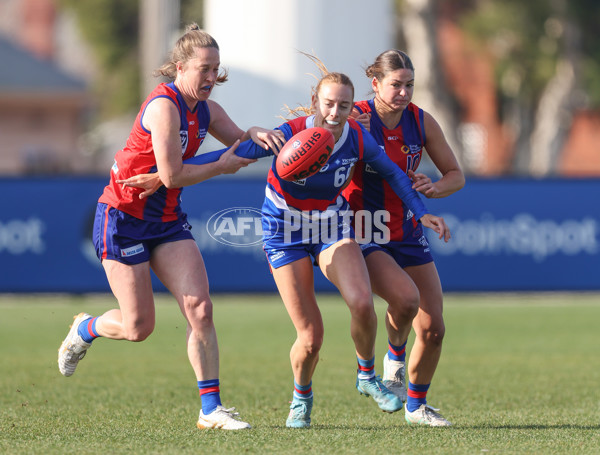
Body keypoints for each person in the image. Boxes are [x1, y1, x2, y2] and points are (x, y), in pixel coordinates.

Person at [120, 56, 452, 428]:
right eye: (329, 104)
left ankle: (366, 376)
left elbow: (395, 173)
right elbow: (232, 154)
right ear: (315, 101)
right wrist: (165, 175)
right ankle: (301, 396)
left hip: (331, 228)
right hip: (286, 235)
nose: (336, 112)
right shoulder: (290, 135)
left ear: (351, 106)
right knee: (310, 337)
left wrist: (421, 211)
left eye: (344, 105)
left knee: (361, 302)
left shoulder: (359, 136)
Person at [57, 23, 283, 431]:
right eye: (204, 69)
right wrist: (221, 165)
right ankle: (85, 327)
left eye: (217, 69)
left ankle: (211, 409)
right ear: (179, 68)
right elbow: (174, 174)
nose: (212, 78)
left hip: (165, 221)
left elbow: (238, 142)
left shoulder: (208, 109)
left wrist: (260, 133)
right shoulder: (164, 107)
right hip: (122, 218)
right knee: (138, 327)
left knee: (200, 309)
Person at [344, 49, 465, 426]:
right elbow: (318, 160)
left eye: (409, 84)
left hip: (408, 228)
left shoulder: (421, 122)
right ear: (376, 83)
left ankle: (416, 407)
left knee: (433, 328)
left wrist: (435, 187)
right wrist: (344, 133)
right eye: (396, 84)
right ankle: (393, 360)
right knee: (405, 299)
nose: (403, 92)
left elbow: (455, 175)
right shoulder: (355, 117)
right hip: (366, 229)